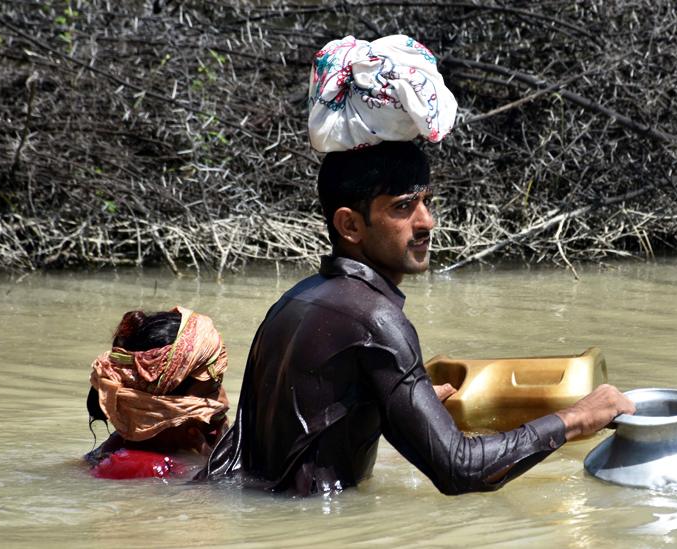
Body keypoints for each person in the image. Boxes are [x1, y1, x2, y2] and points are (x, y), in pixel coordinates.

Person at [197, 35, 635, 495]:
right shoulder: (374, 318)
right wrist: (573, 419)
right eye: (403, 207)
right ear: (350, 225)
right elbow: (459, 470)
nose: (426, 222)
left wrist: (395, 404)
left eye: (427, 202)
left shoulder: (294, 302)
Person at [85, 307, 229, 478]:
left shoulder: (114, 449)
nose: (223, 402)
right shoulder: (147, 468)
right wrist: (218, 465)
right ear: (166, 404)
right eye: (213, 389)